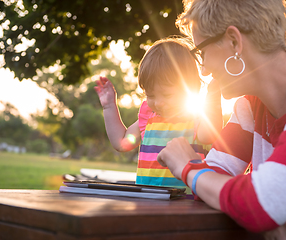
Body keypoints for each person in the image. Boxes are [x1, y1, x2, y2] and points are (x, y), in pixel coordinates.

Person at [156, 0, 286, 239]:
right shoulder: (249, 107)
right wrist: (267, 207)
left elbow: (260, 202)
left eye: (202, 52)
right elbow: (213, 178)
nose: (204, 70)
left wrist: (188, 168)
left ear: (234, 42)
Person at [94, 37, 222, 189]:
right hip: (148, 200)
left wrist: (214, 95)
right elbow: (121, 142)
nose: (158, 103)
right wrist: (109, 106)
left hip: (186, 202)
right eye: (151, 95)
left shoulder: (196, 118)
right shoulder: (149, 118)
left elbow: (209, 135)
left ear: (191, 89)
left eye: (167, 95)